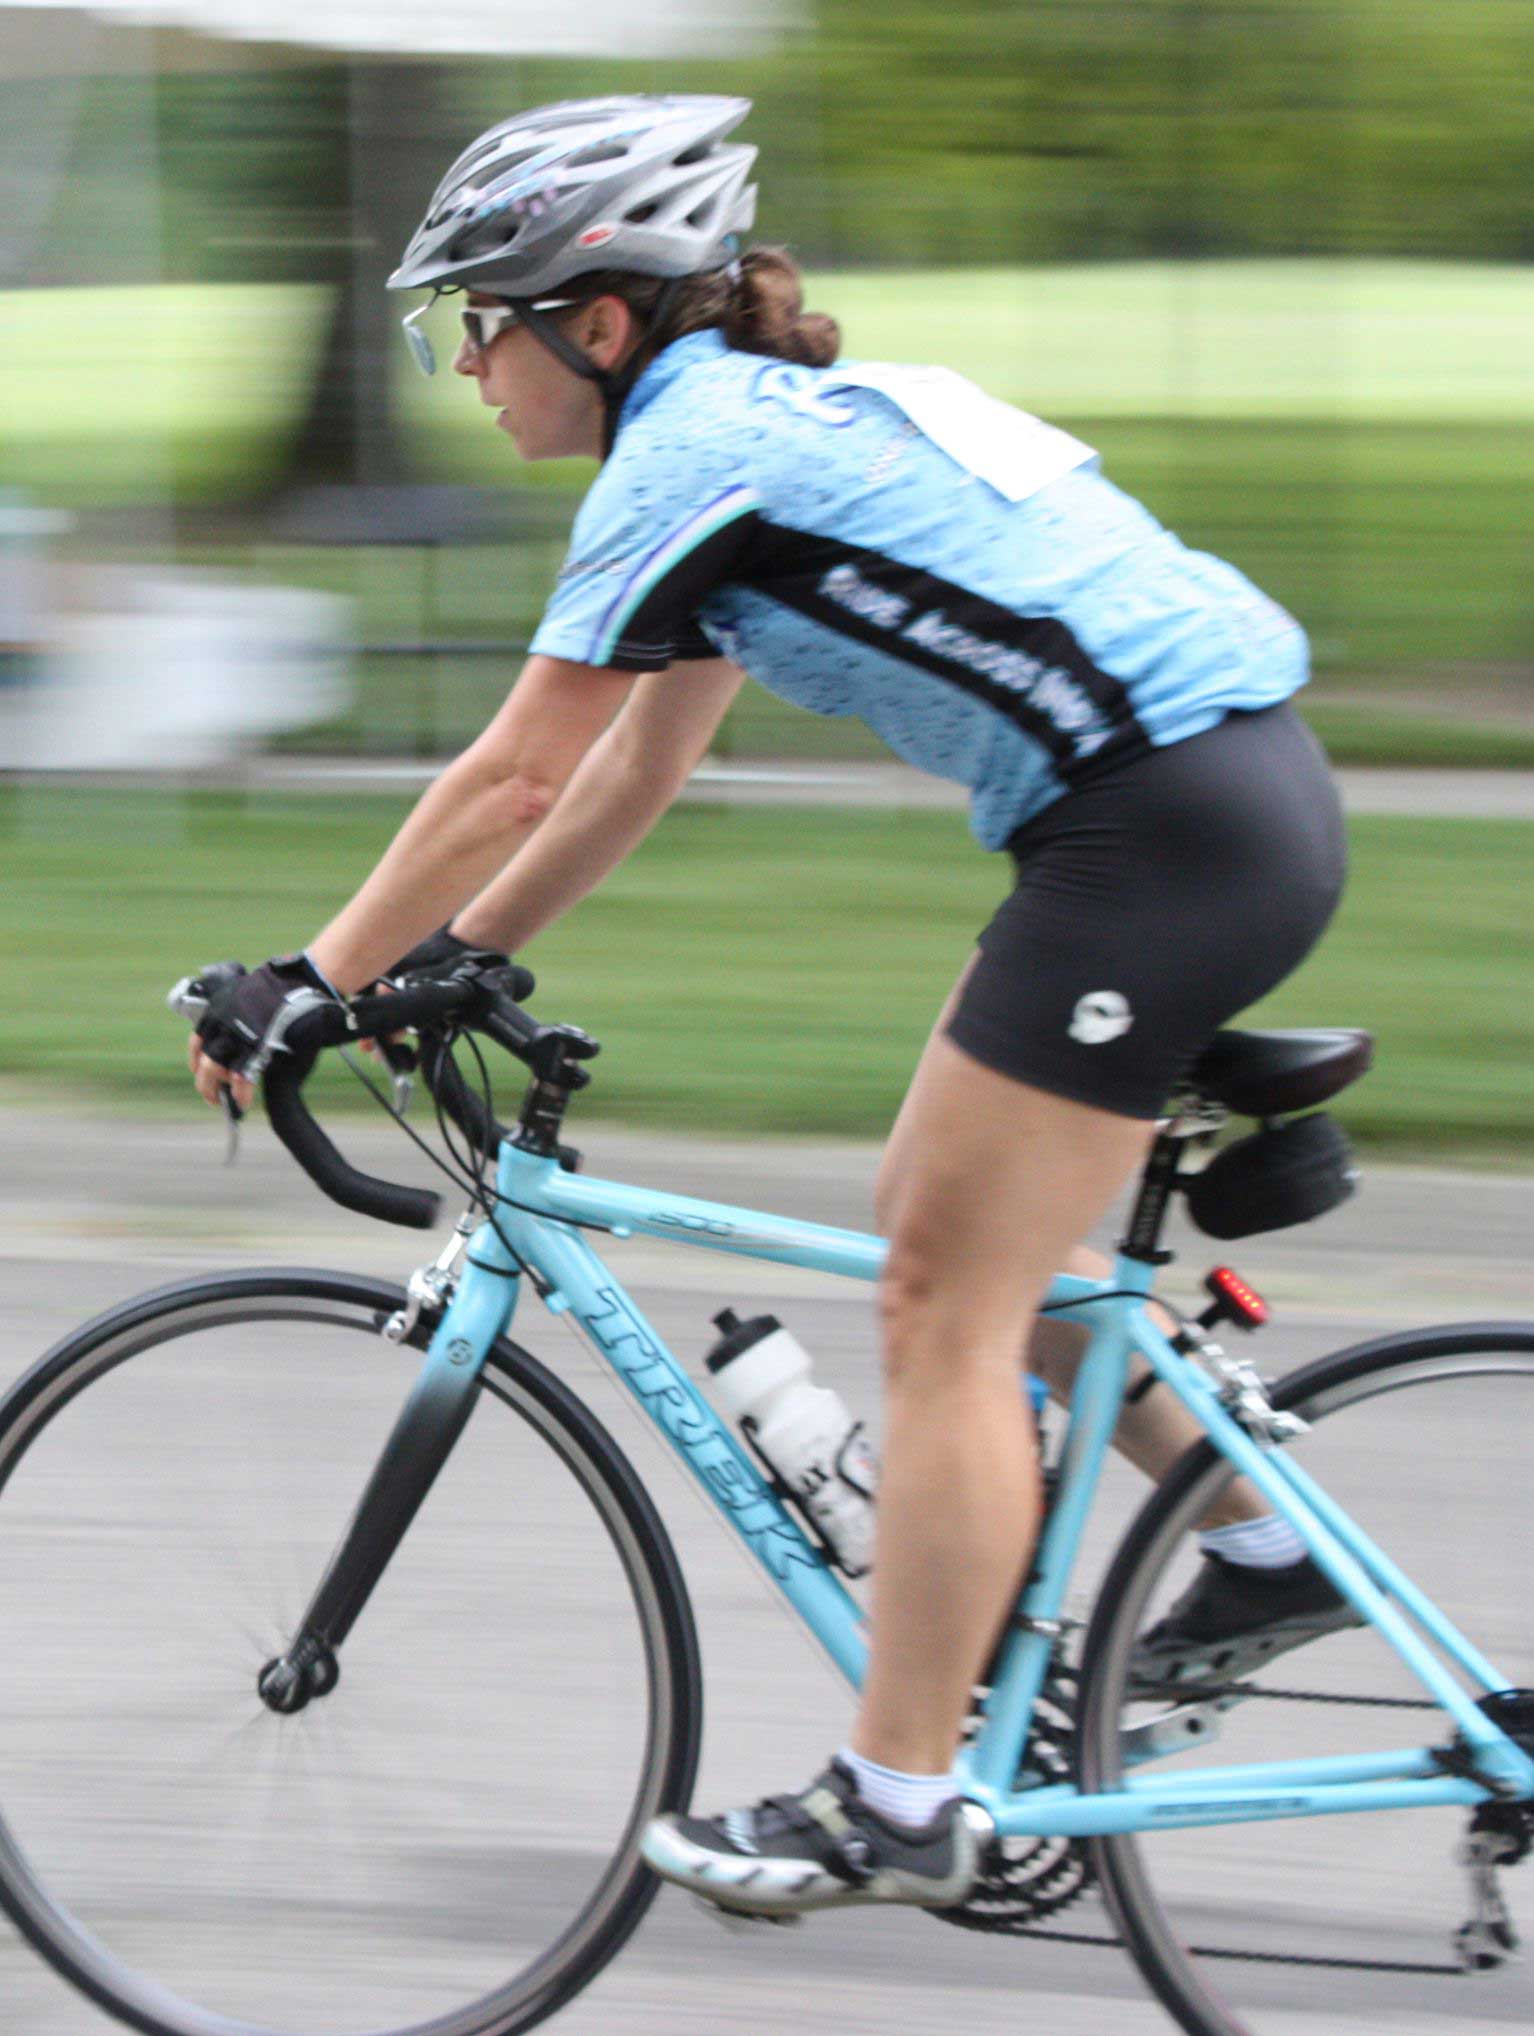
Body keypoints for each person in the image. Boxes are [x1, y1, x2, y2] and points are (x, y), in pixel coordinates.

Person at [185, 94, 1352, 1917]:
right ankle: (1266, 1549)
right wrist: (456, 960)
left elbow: (511, 765)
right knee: (984, 1255)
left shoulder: (688, 454)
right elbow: (628, 771)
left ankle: (897, 1802)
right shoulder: (748, 431)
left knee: (931, 1301)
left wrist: (304, 984)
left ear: (594, 315)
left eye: (477, 328)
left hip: (1154, 833)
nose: (467, 372)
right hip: (1191, 811)